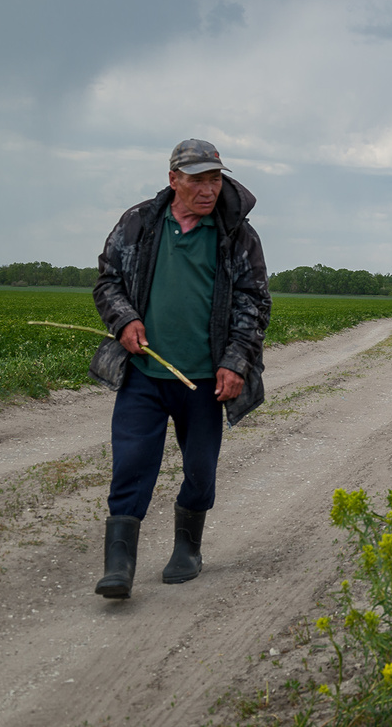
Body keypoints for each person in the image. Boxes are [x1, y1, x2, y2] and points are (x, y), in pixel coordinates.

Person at [88, 139, 271, 599]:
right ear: (174, 180)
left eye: (215, 179)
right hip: (144, 374)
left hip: (207, 381)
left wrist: (235, 363)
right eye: (197, 180)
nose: (208, 189)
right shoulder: (138, 224)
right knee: (131, 464)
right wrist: (125, 318)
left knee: (200, 470)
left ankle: (188, 549)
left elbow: (254, 302)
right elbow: (108, 280)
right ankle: (119, 564)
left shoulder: (237, 235)